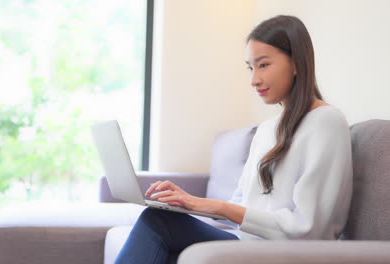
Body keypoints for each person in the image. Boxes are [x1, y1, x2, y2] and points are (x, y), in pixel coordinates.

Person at [115, 15, 353, 264]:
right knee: (157, 219)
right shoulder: (267, 130)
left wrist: (215, 207)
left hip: (285, 254)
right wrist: (189, 203)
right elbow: (240, 204)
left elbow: (308, 228)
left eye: (263, 65)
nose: (254, 80)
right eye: (251, 68)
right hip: (248, 244)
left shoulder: (326, 122)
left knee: (158, 224)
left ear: (296, 63)